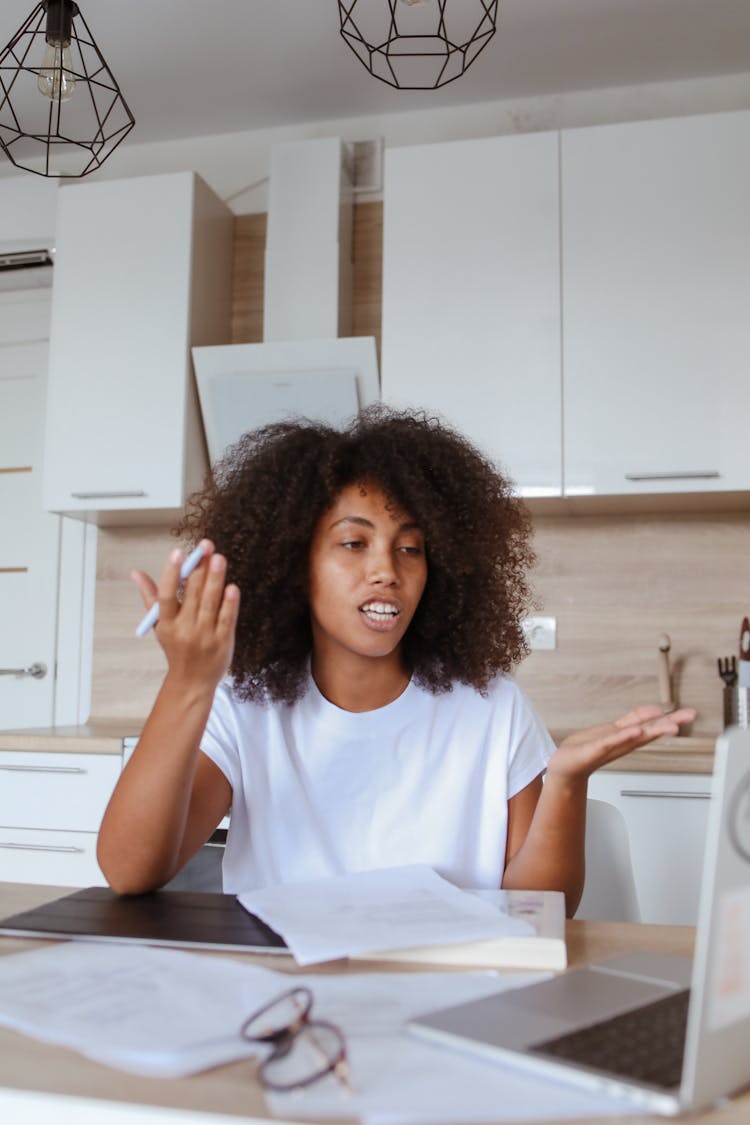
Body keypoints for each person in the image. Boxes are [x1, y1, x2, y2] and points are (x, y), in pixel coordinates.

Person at [97, 406, 694, 912]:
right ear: (293, 565)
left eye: (410, 548)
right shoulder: (244, 709)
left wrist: (566, 780)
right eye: (354, 544)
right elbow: (129, 872)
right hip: (292, 1004)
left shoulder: (493, 708)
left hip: (451, 1001)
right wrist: (188, 683)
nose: (388, 570)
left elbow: (540, 908)